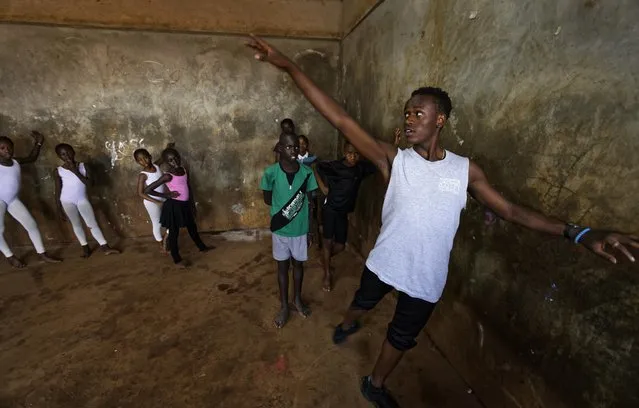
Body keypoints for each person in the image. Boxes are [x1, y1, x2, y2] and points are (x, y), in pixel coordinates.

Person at [246, 35, 639, 407]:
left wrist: (579, 232)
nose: (410, 118)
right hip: (384, 264)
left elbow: (512, 211)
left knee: (401, 337)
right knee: (363, 303)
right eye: (407, 113)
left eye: (419, 112)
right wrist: (290, 67)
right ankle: (350, 321)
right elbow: (340, 118)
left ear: (441, 121)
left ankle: (374, 384)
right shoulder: (393, 160)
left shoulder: (466, 171)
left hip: (426, 278)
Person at [260, 132, 318, 328]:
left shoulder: (307, 173)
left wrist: (311, 228)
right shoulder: (271, 173)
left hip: (300, 229)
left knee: (299, 266)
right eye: (288, 147)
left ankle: (297, 300)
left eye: (295, 147)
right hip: (280, 228)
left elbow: (310, 202)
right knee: (282, 268)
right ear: (279, 149)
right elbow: (267, 198)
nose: (293, 150)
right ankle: (284, 306)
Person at [316, 141, 376, 291]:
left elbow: (378, 161)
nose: (353, 157)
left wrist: (394, 144)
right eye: (350, 153)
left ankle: (325, 258)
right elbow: (316, 167)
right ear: (344, 153)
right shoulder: (335, 166)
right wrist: (323, 186)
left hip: (343, 212)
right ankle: (327, 275)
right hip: (330, 209)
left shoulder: (361, 168)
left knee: (340, 246)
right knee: (328, 241)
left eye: (356, 154)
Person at [0, 132, 61, 268]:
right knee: (0, 229)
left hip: (12, 200)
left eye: (9, 147)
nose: (7, 150)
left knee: (31, 224)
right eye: (2, 148)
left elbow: (31, 158)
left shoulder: (15, 162)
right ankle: (10, 256)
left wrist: (39, 143)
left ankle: (42, 254)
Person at [144, 147, 210, 267]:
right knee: (174, 234)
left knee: (192, 227)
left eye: (176, 158)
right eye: (170, 160)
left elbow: (188, 186)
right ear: (166, 162)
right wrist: (166, 194)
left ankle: (202, 247)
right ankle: (177, 259)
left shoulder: (183, 170)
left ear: (179, 157)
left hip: (185, 205)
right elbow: (148, 189)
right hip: (173, 207)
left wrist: (192, 204)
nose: (174, 162)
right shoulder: (167, 176)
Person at [54, 144, 119, 257]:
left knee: (92, 223)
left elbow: (90, 184)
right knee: (76, 224)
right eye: (63, 154)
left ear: (73, 152)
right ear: (59, 157)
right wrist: (59, 208)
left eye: (69, 152)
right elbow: (58, 191)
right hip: (66, 201)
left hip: (82, 199)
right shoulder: (58, 171)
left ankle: (105, 247)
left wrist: (76, 172)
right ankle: (85, 247)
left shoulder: (84, 166)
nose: (67, 156)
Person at [134, 147, 169, 251]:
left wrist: (168, 147)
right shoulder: (143, 175)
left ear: (150, 157)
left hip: (162, 198)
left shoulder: (156, 165)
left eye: (145, 158)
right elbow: (140, 193)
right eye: (140, 160)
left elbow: (164, 156)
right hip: (151, 201)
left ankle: (167, 238)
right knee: (157, 223)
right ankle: (160, 243)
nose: (144, 161)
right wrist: (156, 202)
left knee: (170, 219)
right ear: (137, 162)